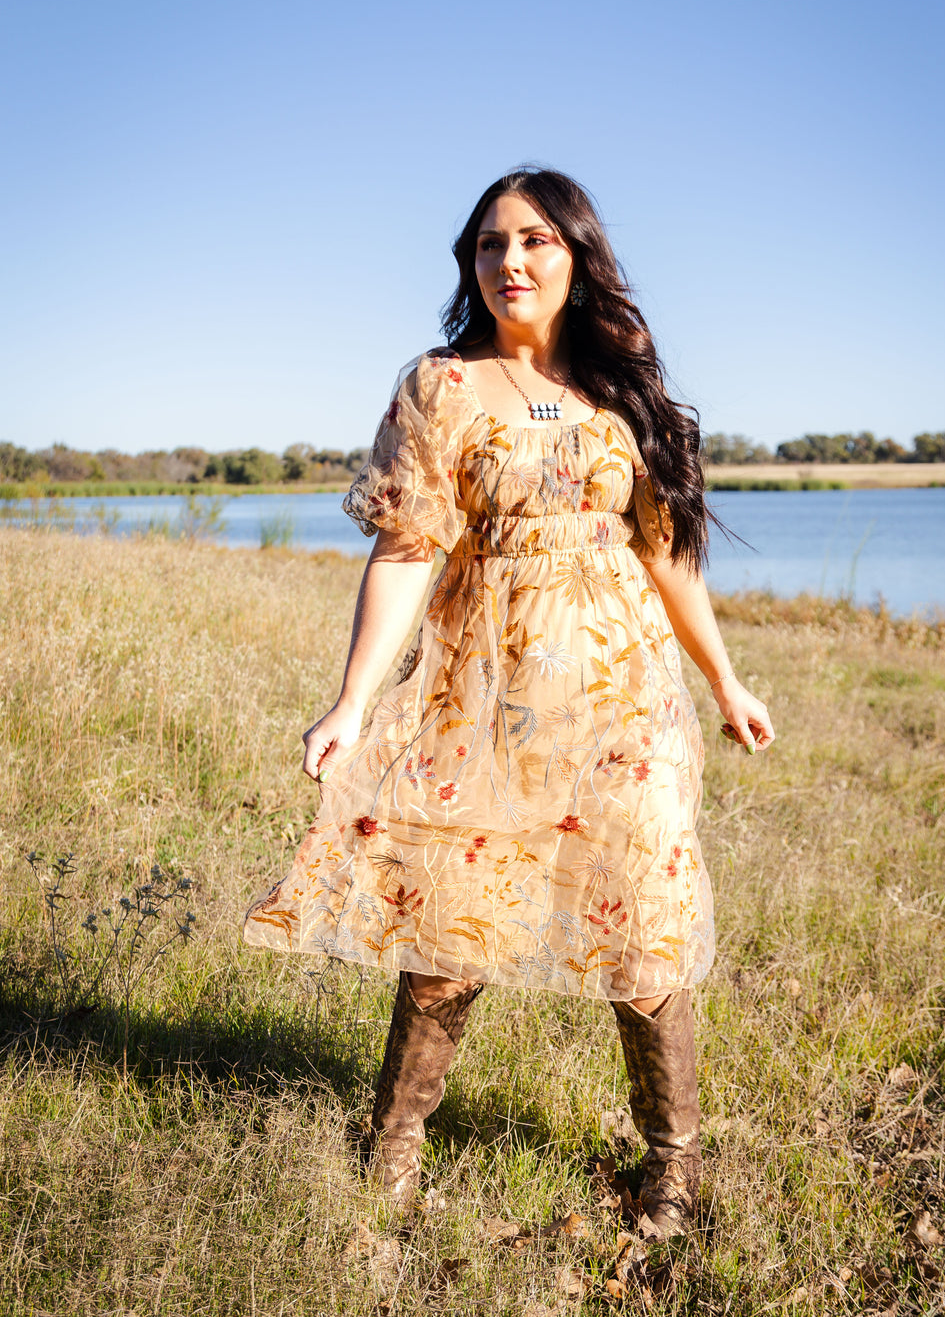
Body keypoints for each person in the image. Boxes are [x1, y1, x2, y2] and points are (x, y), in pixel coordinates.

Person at [244, 167, 774, 1239]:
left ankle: (671, 1167)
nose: (511, 263)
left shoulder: (623, 397)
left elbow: (668, 557)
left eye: (534, 241)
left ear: (576, 258)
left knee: (645, 923)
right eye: (489, 245)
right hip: (480, 698)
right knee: (452, 918)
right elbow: (405, 551)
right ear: (470, 265)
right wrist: (351, 699)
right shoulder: (440, 388)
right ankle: (392, 1147)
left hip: (627, 707)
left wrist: (724, 680)